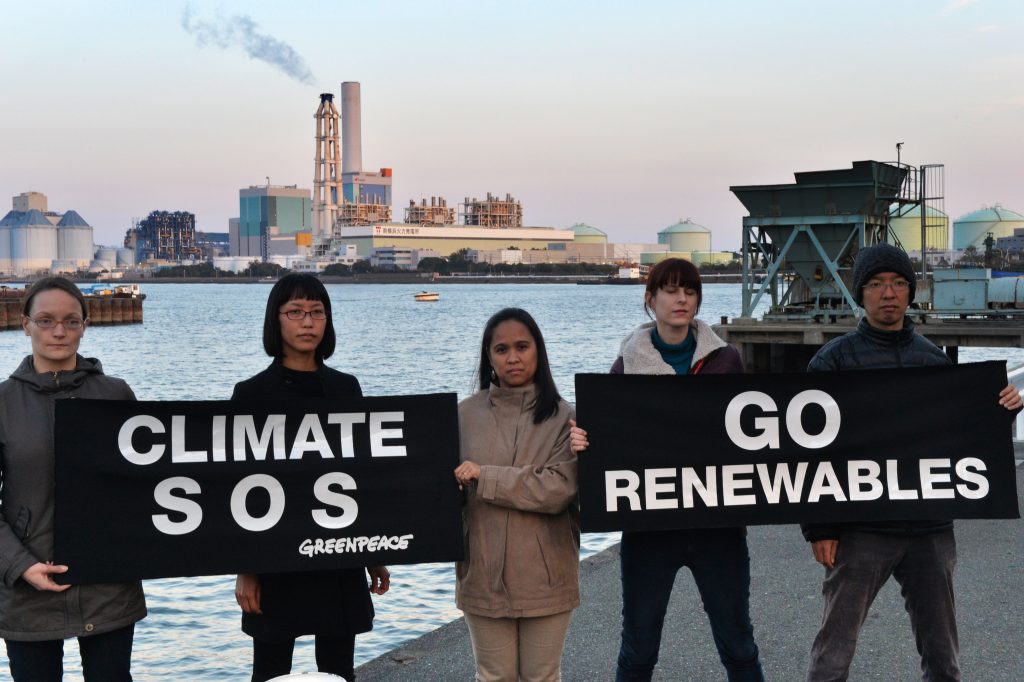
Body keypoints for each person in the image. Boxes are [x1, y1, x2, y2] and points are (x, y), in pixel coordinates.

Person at [801, 243, 1022, 682]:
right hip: (861, 528)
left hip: (929, 529)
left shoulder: (933, 359)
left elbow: (963, 430)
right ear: (861, 294)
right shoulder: (833, 361)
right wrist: (819, 527)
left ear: (911, 292)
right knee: (832, 657)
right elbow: (809, 453)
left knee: (943, 659)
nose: (889, 293)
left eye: (899, 283)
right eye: (878, 284)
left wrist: (1002, 410)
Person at [570, 257, 765, 682]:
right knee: (638, 649)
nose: (681, 299)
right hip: (649, 526)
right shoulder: (626, 365)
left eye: (690, 291)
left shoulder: (725, 360)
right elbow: (610, 435)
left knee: (739, 644)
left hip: (718, 525)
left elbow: (749, 434)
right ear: (650, 299)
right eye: (671, 290)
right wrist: (585, 441)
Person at [231, 273, 390, 682]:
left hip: (337, 552)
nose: (307, 323)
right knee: (269, 670)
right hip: (272, 557)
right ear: (276, 320)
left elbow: (360, 474)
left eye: (317, 313)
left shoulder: (346, 388)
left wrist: (372, 550)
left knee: (338, 671)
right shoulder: (249, 394)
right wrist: (245, 568)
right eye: (295, 312)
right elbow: (238, 488)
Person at [0, 277, 147, 681]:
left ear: (85, 324)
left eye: (70, 321)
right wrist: (20, 565)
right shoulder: (3, 403)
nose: (59, 331)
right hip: (26, 586)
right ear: (25, 323)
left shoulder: (116, 394)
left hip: (108, 584)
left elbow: (141, 487)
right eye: (46, 321)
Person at [453, 307, 579, 682]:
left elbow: (557, 489)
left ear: (538, 351)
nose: (513, 357)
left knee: (542, 677)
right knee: (493, 677)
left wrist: (484, 476)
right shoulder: (462, 415)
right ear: (488, 357)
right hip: (481, 572)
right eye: (502, 349)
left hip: (548, 574)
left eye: (522, 347)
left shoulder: (564, 417)